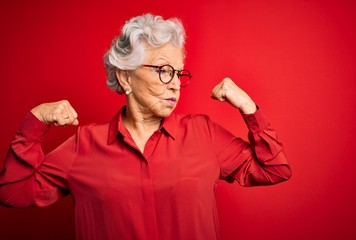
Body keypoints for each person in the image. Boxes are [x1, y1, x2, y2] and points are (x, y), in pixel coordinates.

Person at [0, 13, 291, 240]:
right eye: (164, 71)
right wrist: (35, 121)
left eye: (178, 73)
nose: (176, 83)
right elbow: (13, 193)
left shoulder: (204, 134)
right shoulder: (84, 145)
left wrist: (248, 107)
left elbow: (274, 169)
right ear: (125, 77)